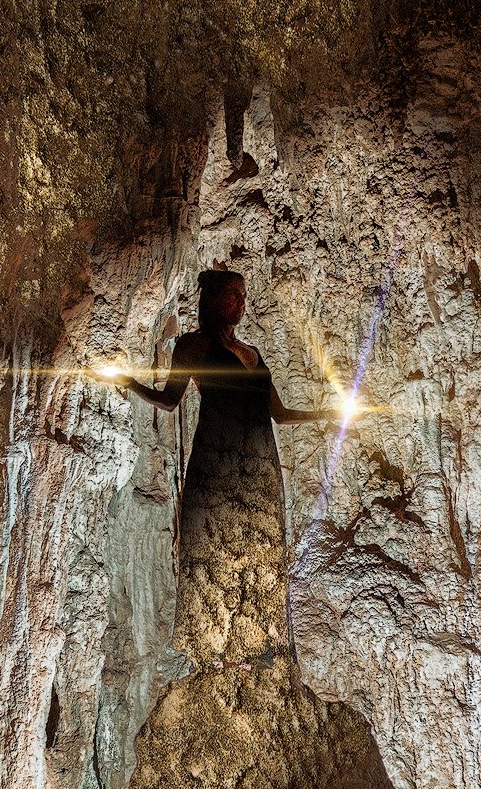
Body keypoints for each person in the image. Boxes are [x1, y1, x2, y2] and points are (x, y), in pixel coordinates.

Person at [101, 270, 344, 671]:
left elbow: (279, 415)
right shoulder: (192, 346)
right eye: (233, 295)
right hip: (216, 460)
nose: (241, 303)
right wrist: (129, 383)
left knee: (259, 547)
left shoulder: (253, 353)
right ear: (212, 300)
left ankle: (260, 649)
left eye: (244, 296)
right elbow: (168, 401)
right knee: (214, 545)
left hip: (258, 465)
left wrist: (324, 415)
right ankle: (212, 651)